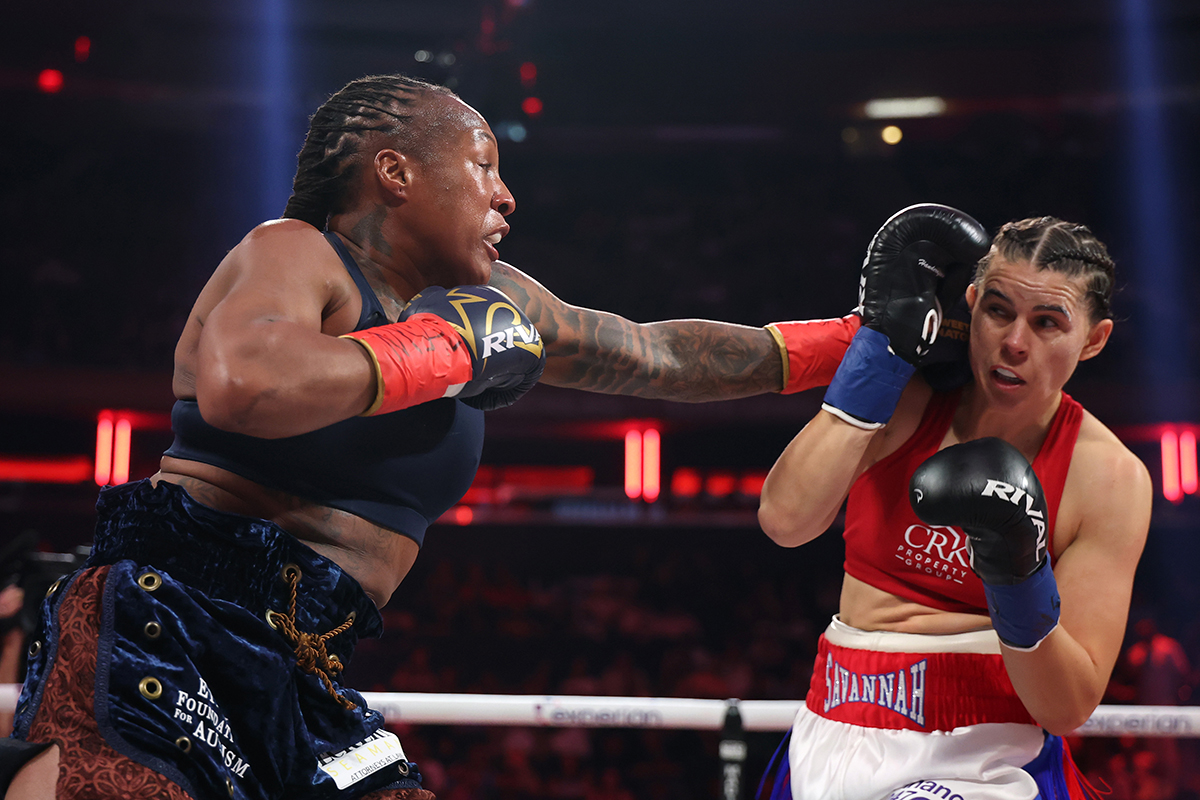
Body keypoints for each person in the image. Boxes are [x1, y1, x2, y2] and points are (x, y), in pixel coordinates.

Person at [0, 74, 960, 800]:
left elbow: (659, 356)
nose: (508, 198)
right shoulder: (294, 254)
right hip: (173, 613)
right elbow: (249, 383)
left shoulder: (503, 303)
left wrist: (862, 339)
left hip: (305, 661)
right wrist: (439, 349)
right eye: (486, 167)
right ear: (396, 172)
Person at [757, 211, 1152, 798]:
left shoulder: (1109, 477)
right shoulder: (907, 400)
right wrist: (873, 361)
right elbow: (784, 522)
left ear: (1092, 340)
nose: (1014, 343)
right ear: (971, 304)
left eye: (1047, 323)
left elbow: (1068, 706)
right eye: (998, 311)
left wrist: (1018, 574)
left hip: (987, 751)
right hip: (833, 722)